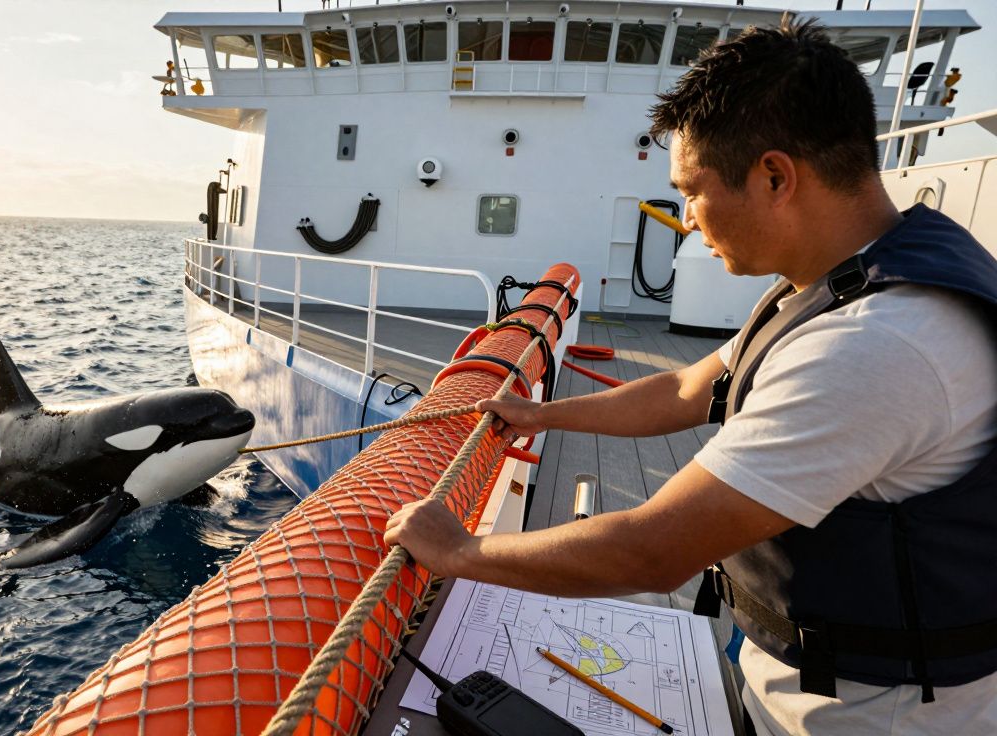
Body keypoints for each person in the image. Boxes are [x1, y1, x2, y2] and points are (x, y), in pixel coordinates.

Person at [384, 20, 997, 735]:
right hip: (810, 682)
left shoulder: (875, 343)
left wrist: (460, 552)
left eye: (692, 192)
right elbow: (685, 389)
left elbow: (655, 549)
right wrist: (544, 416)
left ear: (774, 176)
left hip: (864, 719)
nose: (688, 221)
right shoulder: (842, 282)